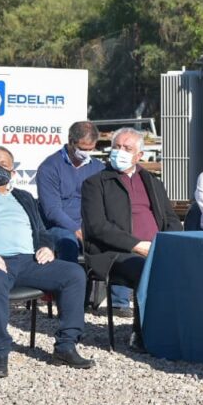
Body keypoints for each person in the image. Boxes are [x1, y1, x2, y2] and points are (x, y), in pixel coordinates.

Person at [0, 146, 93, 377]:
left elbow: (42, 231)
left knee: (74, 273)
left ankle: (66, 345)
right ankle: (0, 353)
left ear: (13, 172)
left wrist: (47, 247)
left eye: (4, 165)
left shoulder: (23, 197)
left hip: (29, 262)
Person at [81, 127, 182, 352]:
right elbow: (97, 227)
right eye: (117, 147)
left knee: (189, 267)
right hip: (114, 253)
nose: (120, 152)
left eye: (127, 148)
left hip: (156, 247)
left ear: (139, 156)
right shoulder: (95, 183)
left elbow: (171, 218)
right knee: (146, 268)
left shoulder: (152, 182)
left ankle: (179, 330)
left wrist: (171, 242)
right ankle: (143, 333)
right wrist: (136, 245)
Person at [36, 120, 131, 312]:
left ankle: (119, 302)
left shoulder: (98, 168)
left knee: (118, 240)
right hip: (59, 226)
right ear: (71, 142)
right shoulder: (49, 167)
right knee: (68, 242)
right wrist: (76, 229)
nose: (86, 153)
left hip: (91, 222)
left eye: (91, 149)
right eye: (82, 148)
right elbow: (52, 211)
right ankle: (71, 301)